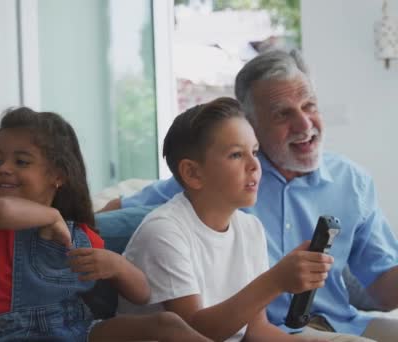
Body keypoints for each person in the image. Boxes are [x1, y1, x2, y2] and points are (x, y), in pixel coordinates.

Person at [107, 50, 398, 341]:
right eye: (283, 113)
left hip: (336, 321)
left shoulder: (252, 223)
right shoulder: (196, 198)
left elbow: (381, 288)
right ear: (252, 123)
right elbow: (193, 331)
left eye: (309, 106)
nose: (305, 125)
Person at [0, 107, 209, 342]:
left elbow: (143, 294)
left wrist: (118, 267)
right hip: (15, 334)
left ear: (58, 176)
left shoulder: (81, 234)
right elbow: (3, 209)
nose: (4, 169)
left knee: (166, 323)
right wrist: (51, 217)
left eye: (21, 162)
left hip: (78, 328)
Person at [118, 97, 332, 341]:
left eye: (254, 152)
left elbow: (255, 330)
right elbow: (194, 333)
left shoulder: (250, 228)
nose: (254, 165)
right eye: (236, 155)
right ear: (192, 173)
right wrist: (275, 281)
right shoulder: (164, 232)